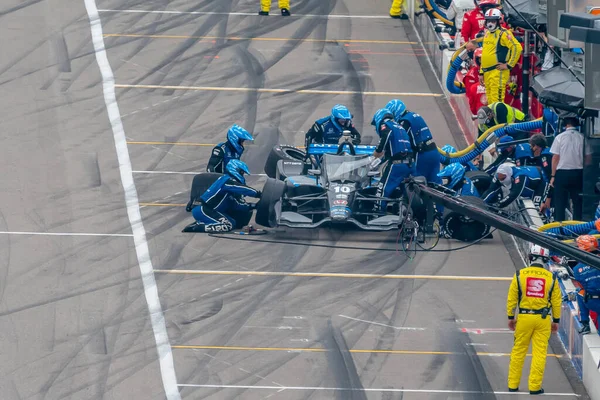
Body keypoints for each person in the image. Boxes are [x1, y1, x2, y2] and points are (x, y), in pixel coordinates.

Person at [506, 243, 561, 395]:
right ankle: (535, 387)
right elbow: (557, 301)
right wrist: (556, 320)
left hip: (524, 317)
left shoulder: (520, 274)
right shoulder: (552, 278)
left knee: (518, 351)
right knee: (539, 353)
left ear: (531, 257)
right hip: (543, 319)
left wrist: (511, 317)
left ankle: (512, 385)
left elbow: (512, 298)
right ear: (545, 259)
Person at [183, 160, 261, 233]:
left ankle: (203, 222)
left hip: (209, 210)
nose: (242, 175)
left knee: (233, 222)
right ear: (235, 170)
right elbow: (242, 189)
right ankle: (197, 227)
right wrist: (258, 194)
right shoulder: (226, 180)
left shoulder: (230, 187)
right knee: (228, 225)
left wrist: (253, 206)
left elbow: (237, 204)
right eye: (242, 172)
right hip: (204, 209)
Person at [385, 99, 441, 185]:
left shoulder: (405, 121)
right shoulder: (414, 115)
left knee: (417, 184)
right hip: (434, 152)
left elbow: (402, 141)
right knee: (436, 184)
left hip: (422, 155)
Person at [371, 108, 415, 213]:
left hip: (397, 165)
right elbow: (390, 153)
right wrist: (377, 162)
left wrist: (376, 153)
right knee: (409, 191)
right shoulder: (400, 127)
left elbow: (383, 142)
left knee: (381, 189)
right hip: (410, 164)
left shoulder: (386, 125)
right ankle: (407, 213)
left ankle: (378, 213)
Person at [477, 9, 522, 104]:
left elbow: (517, 48)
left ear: (498, 21)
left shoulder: (504, 34)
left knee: (497, 103)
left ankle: (499, 119)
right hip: (487, 73)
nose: (490, 23)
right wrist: (481, 73)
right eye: (488, 21)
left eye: (493, 21)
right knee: (490, 102)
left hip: (498, 73)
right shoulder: (487, 34)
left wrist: (509, 65)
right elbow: (485, 53)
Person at [544, 116, 584, 221]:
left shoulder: (559, 137)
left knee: (560, 203)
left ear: (566, 125)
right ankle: (578, 228)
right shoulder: (583, 137)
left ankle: (559, 229)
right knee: (578, 203)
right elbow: (588, 158)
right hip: (578, 173)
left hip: (562, 174)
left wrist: (553, 175)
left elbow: (555, 157)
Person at [570, 235, 600, 335]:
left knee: (579, 292)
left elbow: (581, 285)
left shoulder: (577, 269)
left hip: (593, 302)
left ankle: (585, 324)